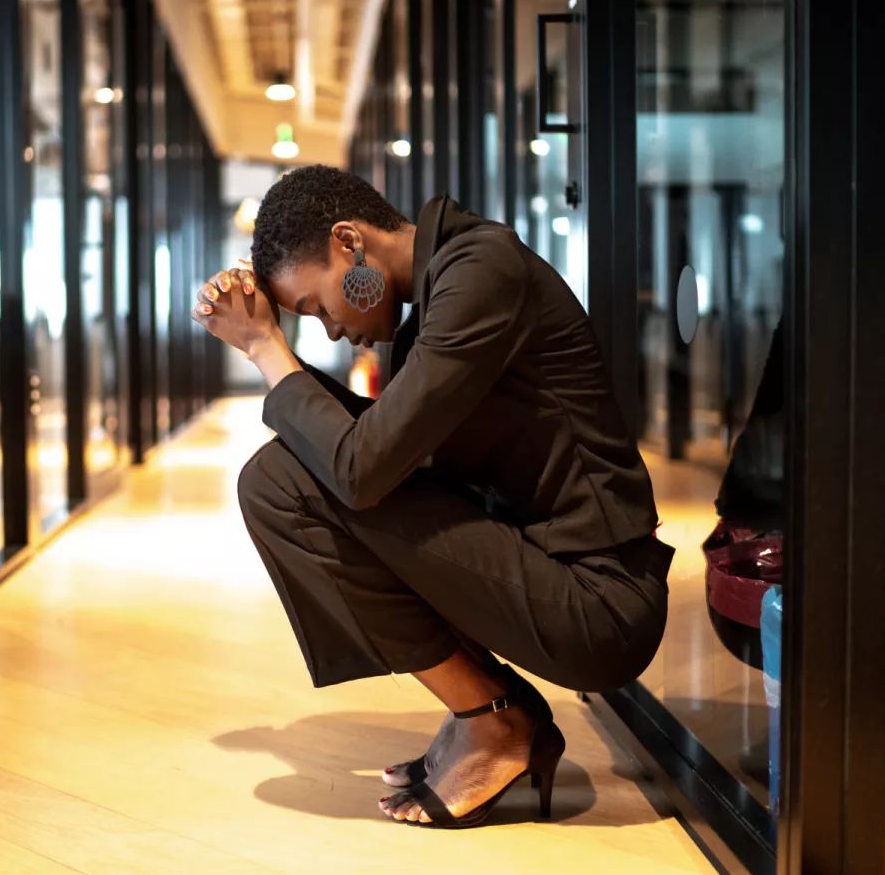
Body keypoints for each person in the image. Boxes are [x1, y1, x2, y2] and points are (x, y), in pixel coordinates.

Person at [193, 166, 671, 829]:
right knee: (279, 478)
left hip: (599, 600)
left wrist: (265, 348)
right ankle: (488, 711)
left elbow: (360, 471)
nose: (329, 329)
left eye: (315, 306)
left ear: (349, 244)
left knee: (284, 482)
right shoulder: (443, 294)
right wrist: (266, 338)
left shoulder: (481, 276)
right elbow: (373, 456)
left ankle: (494, 723)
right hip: (541, 568)